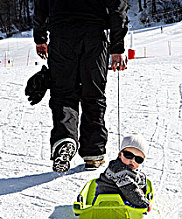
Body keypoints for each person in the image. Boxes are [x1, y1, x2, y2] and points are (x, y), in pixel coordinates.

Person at [33, 0, 129, 172]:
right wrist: (117, 47)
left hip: (61, 34)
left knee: (63, 94)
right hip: (94, 35)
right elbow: (117, 6)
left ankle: (65, 137)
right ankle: (94, 154)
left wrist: (40, 37)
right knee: (93, 95)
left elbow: (41, 3)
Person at [95, 134, 151, 209]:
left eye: (138, 159)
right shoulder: (118, 170)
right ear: (120, 154)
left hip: (119, 201)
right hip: (106, 204)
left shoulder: (126, 168)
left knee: (141, 178)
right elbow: (130, 191)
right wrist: (143, 203)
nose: (132, 160)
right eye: (128, 155)